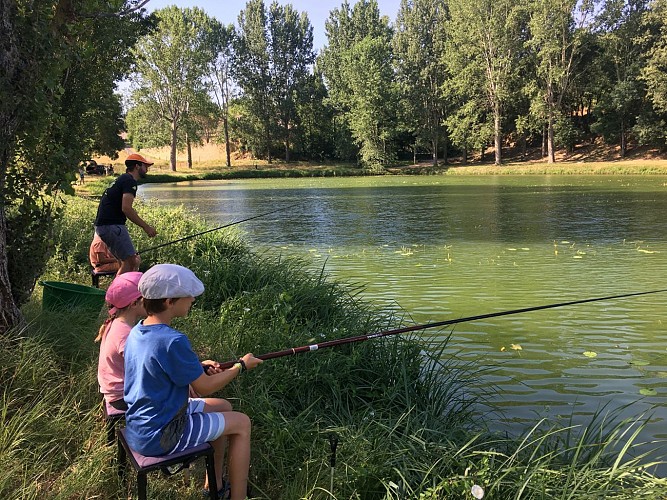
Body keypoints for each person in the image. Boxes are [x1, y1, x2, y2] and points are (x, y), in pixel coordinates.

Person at [123, 264, 262, 499]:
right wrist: (241, 366)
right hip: (162, 434)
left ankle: (215, 486)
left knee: (223, 407)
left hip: (141, 423)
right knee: (242, 423)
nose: (192, 300)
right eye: (188, 296)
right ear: (169, 301)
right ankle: (239, 497)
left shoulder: (138, 331)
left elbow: (159, 367)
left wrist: (197, 367)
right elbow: (203, 387)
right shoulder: (173, 340)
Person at [94, 153, 157, 275]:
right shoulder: (129, 181)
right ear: (137, 166)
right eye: (145, 166)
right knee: (131, 262)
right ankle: (116, 293)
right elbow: (126, 208)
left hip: (104, 226)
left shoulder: (122, 179)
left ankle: (116, 293)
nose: (147, 169)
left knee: (126, 262)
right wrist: (146, 227)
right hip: (112, 226)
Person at [96, 272, 145, 411]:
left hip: (114, 392)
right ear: (134, 303)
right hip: (122, 397)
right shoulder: (126, 334)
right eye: (149, 296)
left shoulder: (116, 323)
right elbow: (145, 369)